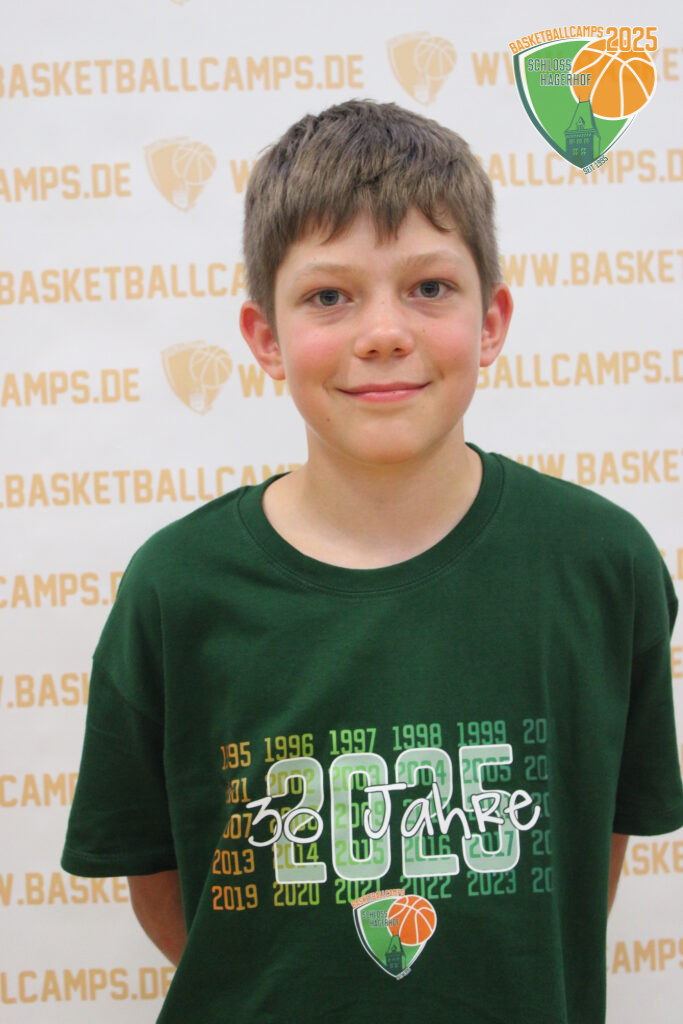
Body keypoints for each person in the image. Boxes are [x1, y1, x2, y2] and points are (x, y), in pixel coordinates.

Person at [61, 100, 683, 1023]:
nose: (383, 332)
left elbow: (587, 854)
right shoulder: (176, 589)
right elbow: (161, 883)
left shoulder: (602, 567)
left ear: (491, 320)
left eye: (428, 287)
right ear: (265, 338)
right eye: (329, 296)